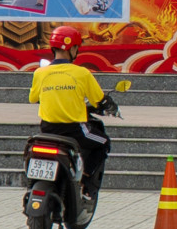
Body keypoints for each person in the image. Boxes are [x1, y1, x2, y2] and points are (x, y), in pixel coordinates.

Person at [28, 25, 113, 197]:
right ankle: (87, 184)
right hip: (74, 130)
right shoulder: (82, 73)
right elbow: (98, 99)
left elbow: (33, 98)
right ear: (72, 48)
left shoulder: (40, 73)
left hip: (47, 130)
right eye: (77, 48)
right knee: (103, 142)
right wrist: (109, 104)